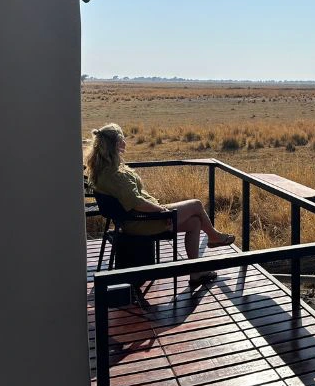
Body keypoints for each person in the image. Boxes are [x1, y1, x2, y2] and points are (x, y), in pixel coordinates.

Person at [85, 122, 234, 286]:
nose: (125, 143)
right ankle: (214, 237)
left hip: (134, 219)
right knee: (196, 205)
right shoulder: (115, 175)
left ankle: (195, 273)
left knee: (195, 222)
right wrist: (162, 211)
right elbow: (137, 202)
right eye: (123, 140)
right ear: (116, 143)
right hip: (142, 221)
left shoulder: (103, 170)